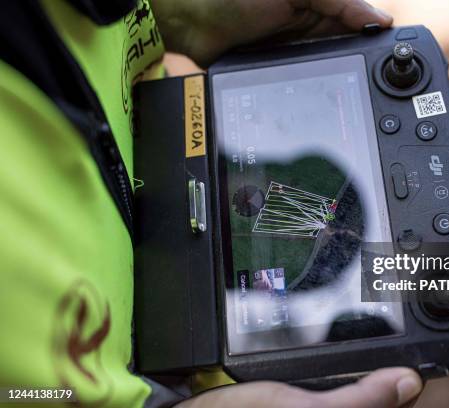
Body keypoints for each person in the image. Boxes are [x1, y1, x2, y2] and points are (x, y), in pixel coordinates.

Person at [0, 0, 422, 406]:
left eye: (299, 250)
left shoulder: (188, 377)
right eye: (281, 186)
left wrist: (180, 13)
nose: (266, 216)